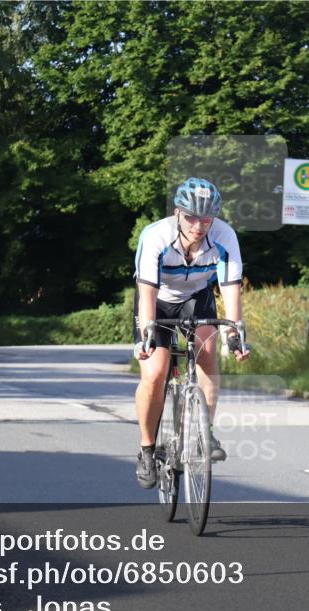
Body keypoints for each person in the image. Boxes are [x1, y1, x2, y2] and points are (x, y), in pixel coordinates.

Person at [132, 177, 250, 489]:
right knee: (156, 371)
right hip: (157, 301)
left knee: (208, 352)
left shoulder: (225, 237)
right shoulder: (156, 235)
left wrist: (235, 335)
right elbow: (146, 292)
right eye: (192, 218)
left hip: (197, 298)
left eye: (207, 219)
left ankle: (204, 430)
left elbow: (230, 290)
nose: (199, 226)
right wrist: (147, 334)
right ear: (178, 213)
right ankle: (146, 449)